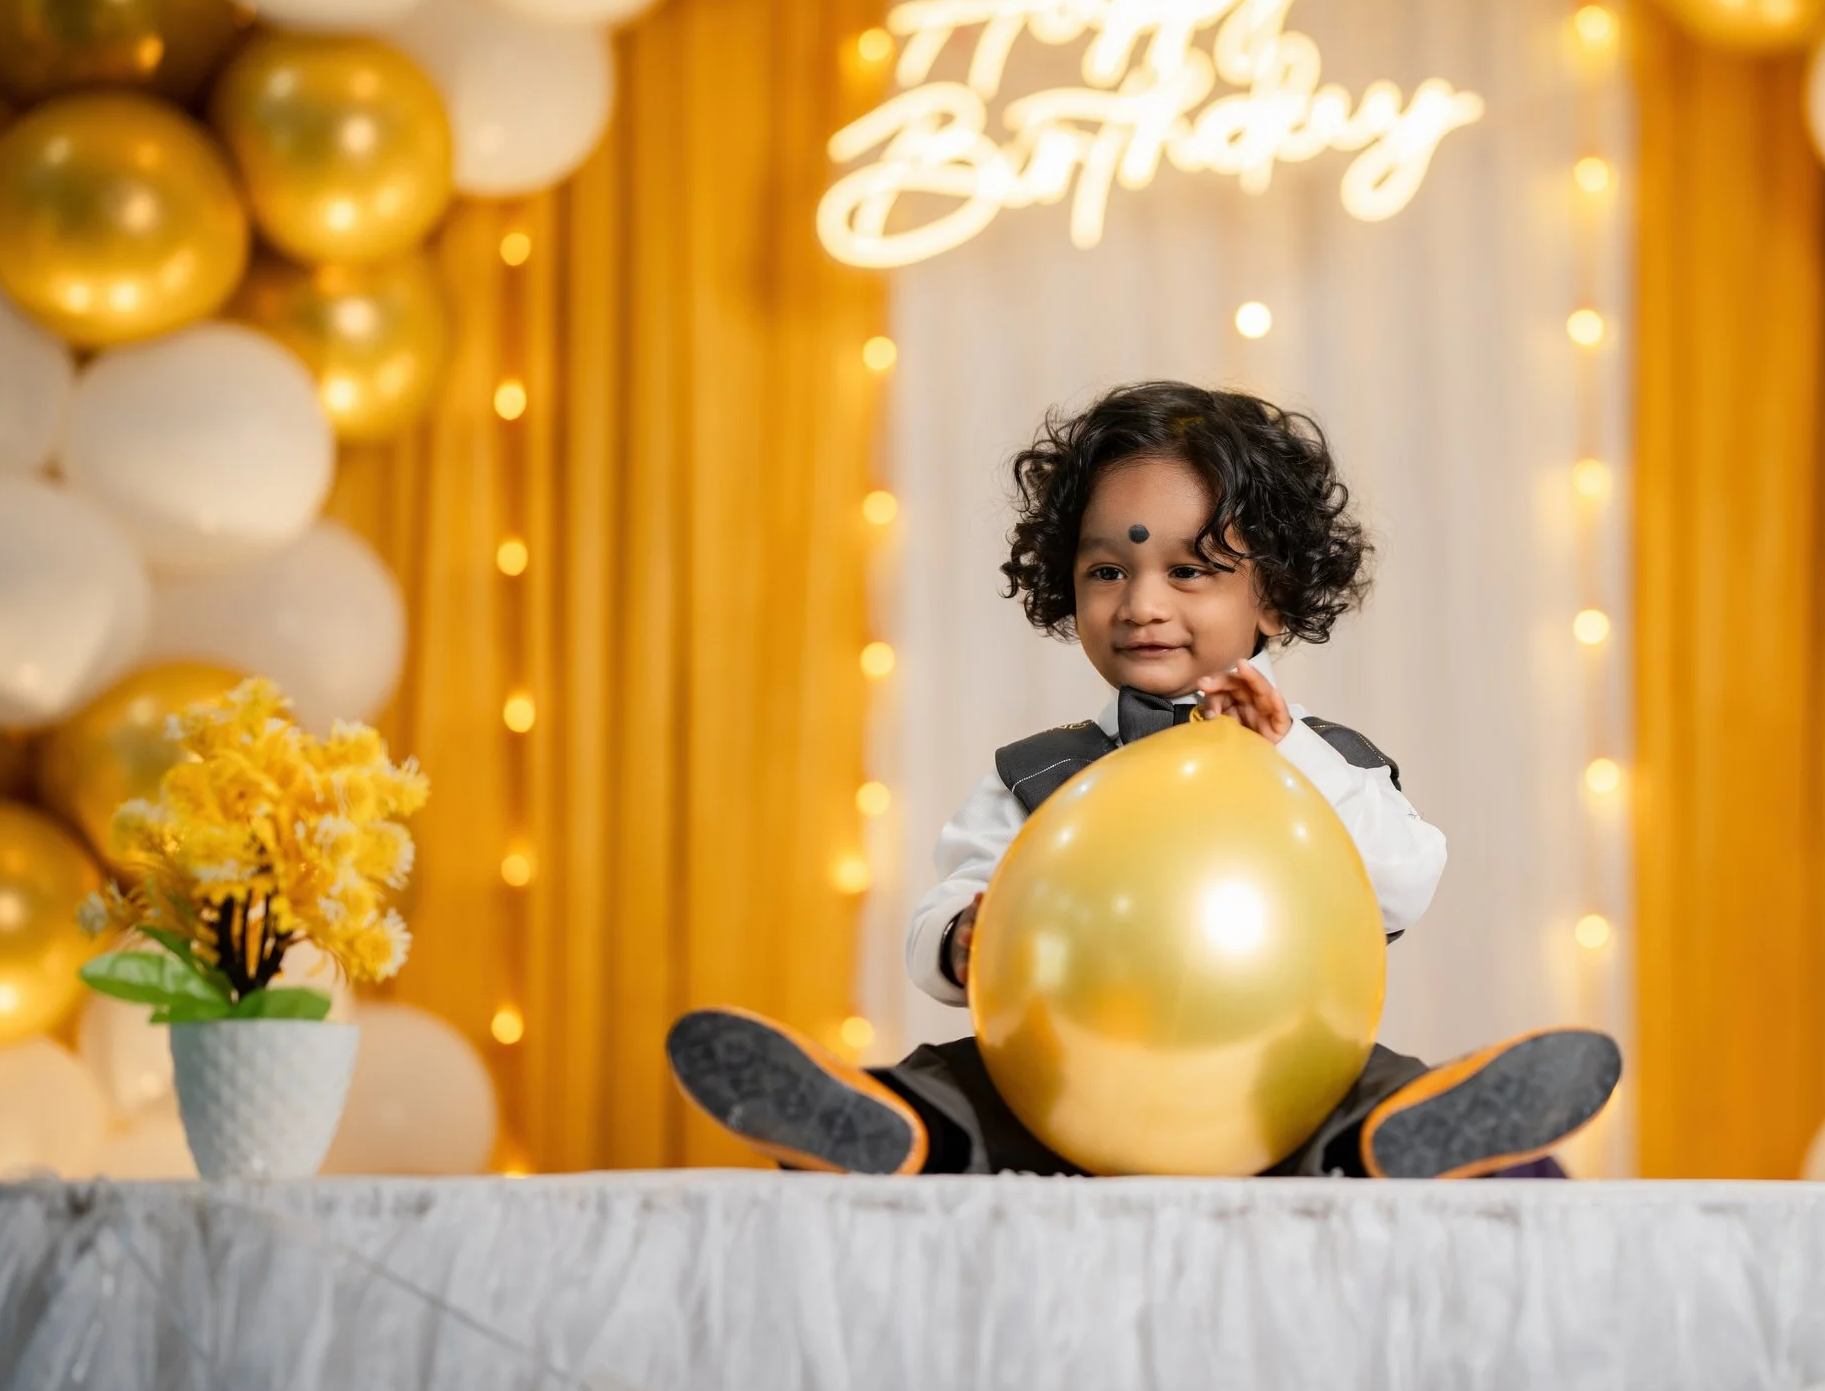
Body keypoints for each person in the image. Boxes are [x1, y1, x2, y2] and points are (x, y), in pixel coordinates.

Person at [668, 381, 1621, 1177]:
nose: (1143, 604)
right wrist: (963, 936)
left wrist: (1282, 753)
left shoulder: (1322, 763)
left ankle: (1416, 1138)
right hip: (1071, 1087)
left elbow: (1405, 878)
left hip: (1271, 1085)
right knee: (956, 1077)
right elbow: (947, 903)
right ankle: (892, 1129)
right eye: (1107, 571)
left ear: (1274, 597)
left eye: (1189, 569)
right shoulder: (1042, 773)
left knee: (1364, 1079)